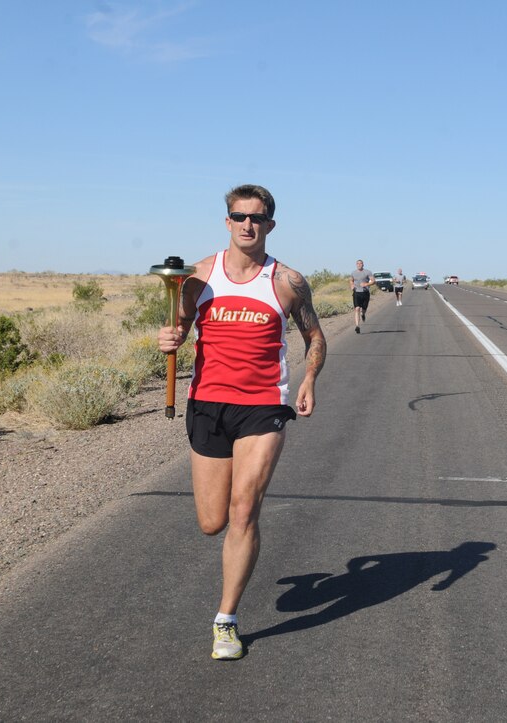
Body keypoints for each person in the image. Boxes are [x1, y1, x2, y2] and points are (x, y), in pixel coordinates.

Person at [158, 184, 327, 661]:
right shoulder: (198, 276)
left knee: (243, 510)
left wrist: (310, 378)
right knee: (212, 522)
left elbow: (315, 337)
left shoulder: (287, 282)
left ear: (270, 225)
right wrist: (168, 338)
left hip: (263, 406)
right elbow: (182, 327)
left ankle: (225, 621)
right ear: (227, 221)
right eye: (239, 216)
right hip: (208, 404)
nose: (247, 225)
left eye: (257, 218)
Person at [350, 259, 375, 333]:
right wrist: (351, 285)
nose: (359, 265)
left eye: (360, 263)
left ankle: (363, 314)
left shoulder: (367, 272)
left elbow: (373, 281)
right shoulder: (353, 273)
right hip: (356, 292)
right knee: (357, 308)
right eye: (357, 264)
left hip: (365, 292)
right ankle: (357, 326)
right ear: (356, 265)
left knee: (364, 308)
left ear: (363, 265)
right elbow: (351, 280)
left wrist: (366, 284)